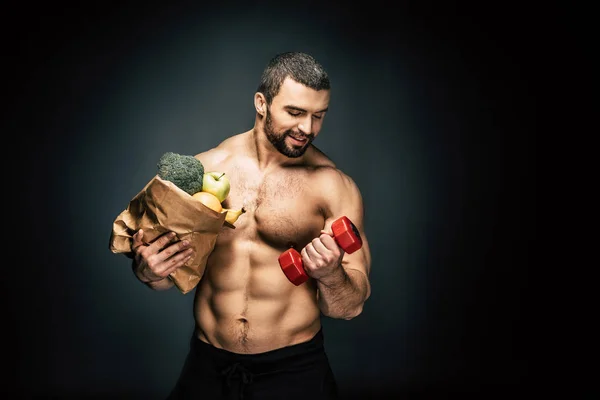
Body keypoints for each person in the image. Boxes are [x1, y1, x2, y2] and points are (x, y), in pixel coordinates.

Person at [129, 51, 372, 400]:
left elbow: (350, 307)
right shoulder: (208, 168)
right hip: (208, 365)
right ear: (262, 103)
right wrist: (149, 271)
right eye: (295, 112)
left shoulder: (333, 186)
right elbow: (166, 276)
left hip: (294, 371)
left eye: (318, 116)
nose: (308, 128)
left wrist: (331, 274)